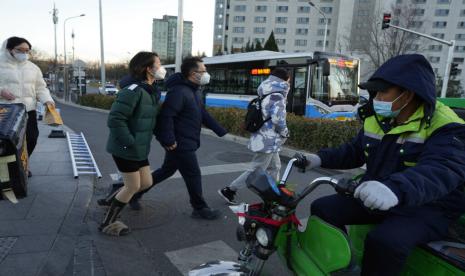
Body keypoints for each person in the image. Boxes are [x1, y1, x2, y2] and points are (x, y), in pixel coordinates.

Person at [294, 54, 465, 275]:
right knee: (322, 208)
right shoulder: (379, 117)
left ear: (408, 93)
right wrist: (319, 159)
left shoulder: (446, 126)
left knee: (384, 241)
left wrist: (395, 189)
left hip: (428, 206)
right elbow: (355, 150)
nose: (376, 98)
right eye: (374, 92)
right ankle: (338, 265)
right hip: (381, 192)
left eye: (383, 92)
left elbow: (442, 168)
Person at [101, 57, 227, 219]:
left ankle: (134, 194)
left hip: (184, 140)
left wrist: (221, 130)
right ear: (192, 73)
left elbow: (202, 113)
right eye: (203, 71)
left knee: (165, 171)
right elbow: (166, 116)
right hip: (180, 142)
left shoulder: (194, 90)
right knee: (193, 174)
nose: (205, 74)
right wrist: (168, 140)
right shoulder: (179, 92)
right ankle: (200, 208)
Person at [99, 51, 165, 236]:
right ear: (147, 69)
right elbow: (115, 119)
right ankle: (108, 223)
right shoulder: (132, 91)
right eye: (158, 65)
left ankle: (111, 200)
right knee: (133, 186)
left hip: (139, 149)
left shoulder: (150, 92)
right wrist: (130, 141)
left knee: (146, 182)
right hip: (125, 148)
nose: (161, 69)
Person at [218, 68, 290, 204]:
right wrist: (285, 132)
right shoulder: (278, 96)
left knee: (275, 166)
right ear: (284, 80)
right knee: (256, 170)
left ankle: (275, 193)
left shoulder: (265, 92)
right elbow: (278, 119)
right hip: (268, 140)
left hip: (264, 138)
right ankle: (229, 190)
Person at [0, 37, 55, 176]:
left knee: (31, 138)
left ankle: (20, 165)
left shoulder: (33, 68)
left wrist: (47, 100)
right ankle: (6, 172)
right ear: (9, 49)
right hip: (5, 111)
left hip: (27, 111)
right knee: (6, 143)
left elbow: (41, 88)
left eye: (27, 51)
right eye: (20, 50)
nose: (24, 53)